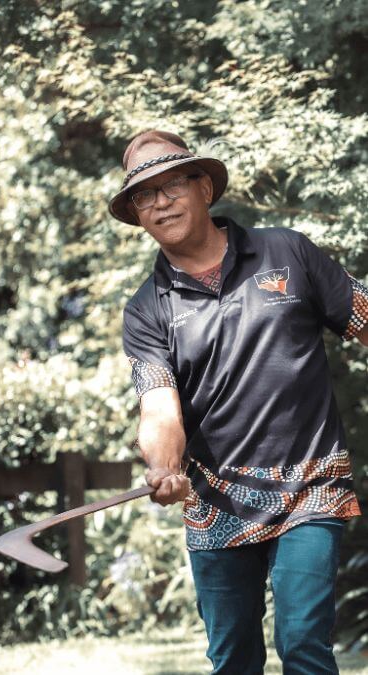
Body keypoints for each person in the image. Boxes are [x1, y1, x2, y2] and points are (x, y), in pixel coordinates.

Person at [108, 129, 368, 674]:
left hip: (309, 487)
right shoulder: (146, 310)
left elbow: (364, 316)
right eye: (144, 195)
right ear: (136, 214)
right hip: (215, 500)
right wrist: (163, 467)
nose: (160, 203)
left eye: (171, 185)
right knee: (232, 661)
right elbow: (158, 406)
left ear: (203, 186)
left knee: (302, 643)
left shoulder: (287, 251)